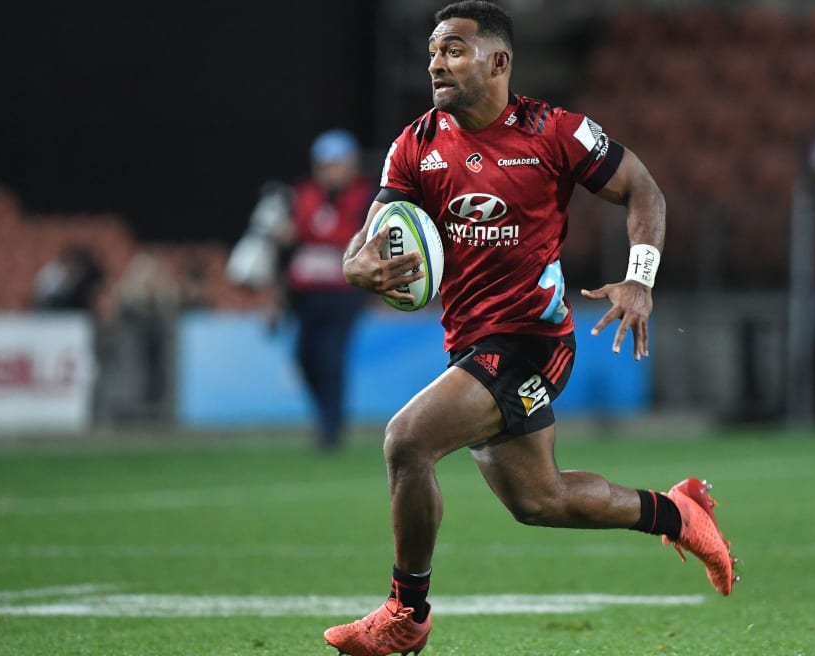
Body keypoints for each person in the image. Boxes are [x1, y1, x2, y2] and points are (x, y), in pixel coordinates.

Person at [323, 3, 737, 654]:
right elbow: (366, 244)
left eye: (454, 49)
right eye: (433, 51)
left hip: (532, 343)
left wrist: (640, 278)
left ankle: (407, 614)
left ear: (498, 61)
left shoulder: (556, 133)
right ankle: (677, 512)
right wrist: (358, 269)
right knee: (540, 501)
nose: (436, 62)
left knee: (407, 441)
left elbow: (643, 190)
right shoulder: (416, 144)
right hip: (470, 344)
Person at [272, 129, 374, 451]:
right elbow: (288, 244)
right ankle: (325, 416)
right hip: (305, 294)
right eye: (326, 164)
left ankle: (331, 428)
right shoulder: (301, 194)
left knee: (331, 359)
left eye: (337, 163)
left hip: (343, 293)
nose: (331, 171)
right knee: (305, 359)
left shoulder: (367, 197)